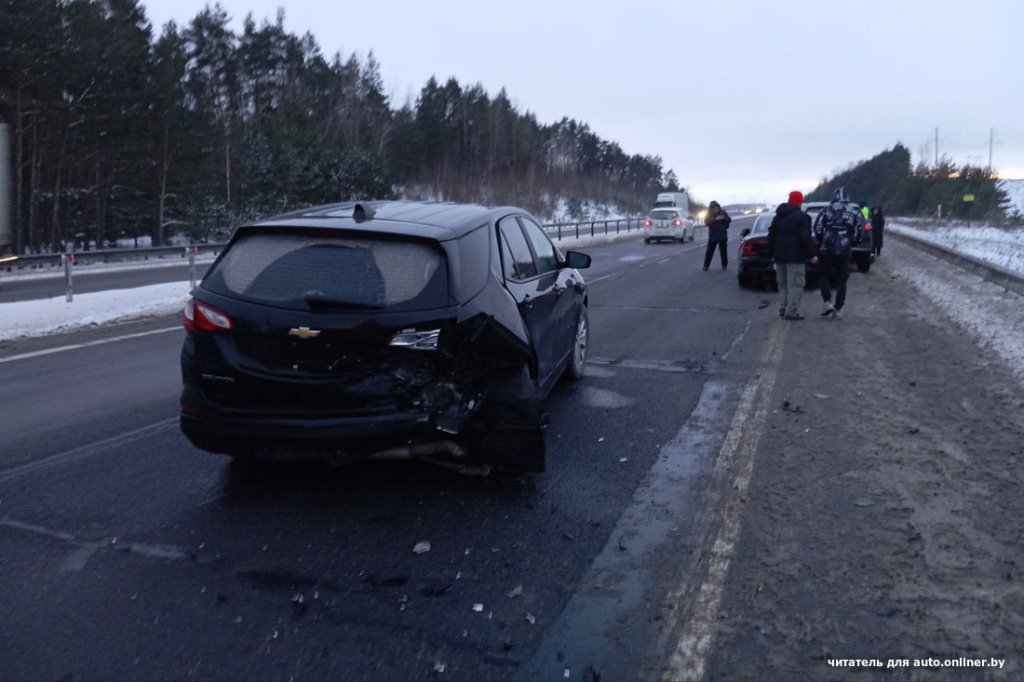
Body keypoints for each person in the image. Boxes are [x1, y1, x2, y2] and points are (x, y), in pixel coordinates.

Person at [813, 187, 865, 320]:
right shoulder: (854, 211)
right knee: (842, 279)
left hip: (827, 247)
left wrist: (821, 239)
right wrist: (854, 241)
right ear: (847, 197)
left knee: (823, 274)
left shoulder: (826, 209)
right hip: (844, 247)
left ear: (834, 196)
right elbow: (860, 228)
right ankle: (839, 308)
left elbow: (817, 226)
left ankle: (827, 302)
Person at [767, 190, 818, 320]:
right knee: (795, 284)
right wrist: (812, 254)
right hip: (795, 258)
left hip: (779, 257)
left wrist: (771, 253)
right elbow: (805, 237)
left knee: (783, 284)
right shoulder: (803, 217)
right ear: (800, 202)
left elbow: (771, 237)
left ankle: (783, 308)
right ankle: (791, 311)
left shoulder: (778, 217)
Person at [703, 201, 731, 270]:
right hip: (713, 236)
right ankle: (706, 266)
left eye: (716, 208)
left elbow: (729, 219)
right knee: (709, 252)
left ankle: (724, 265)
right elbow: (706, 222)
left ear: (718, 207)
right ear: (711, 209)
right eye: (714, 208)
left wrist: (723, 218)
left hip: (722, 235)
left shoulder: (722, 212)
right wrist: (715, 219)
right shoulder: (709, 214)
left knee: (723, 252)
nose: (715, 209)